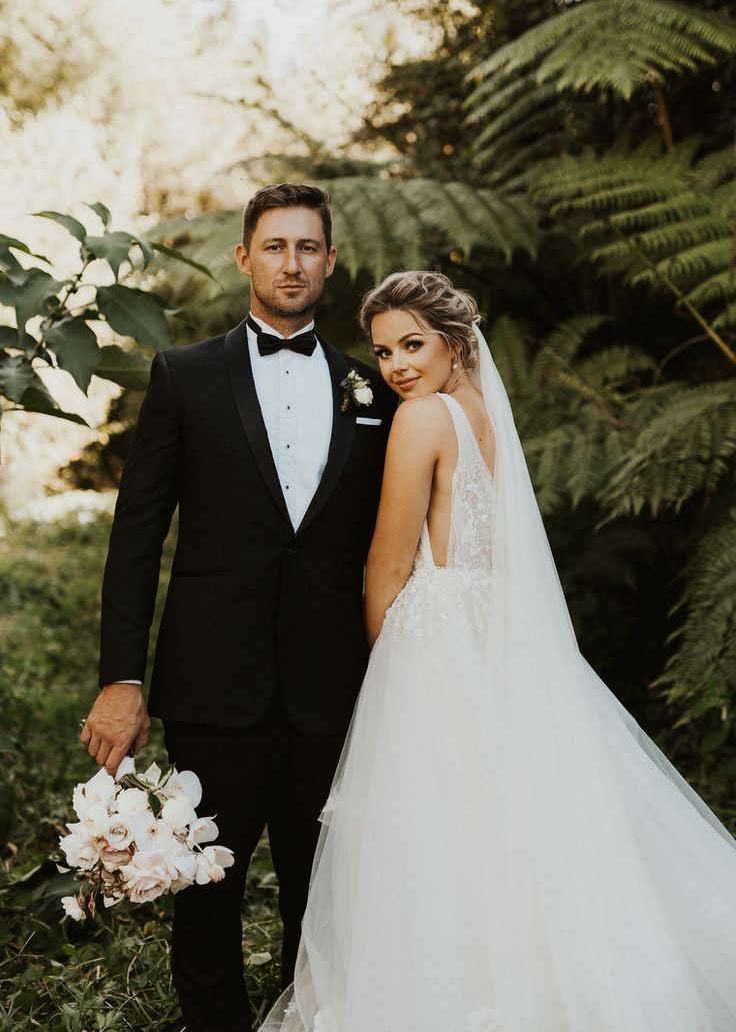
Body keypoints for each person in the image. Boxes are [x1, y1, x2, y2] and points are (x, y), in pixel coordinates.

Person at [261, 270, 736, 1032]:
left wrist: (382, 668)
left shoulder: (421, 419)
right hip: (490, 631)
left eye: (412, 344)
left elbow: (387, 564)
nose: (397, 366)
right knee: (505, 826)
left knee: (435, 841)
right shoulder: (480, 412)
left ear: (455, 341)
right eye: (383, 352)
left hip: (432, 639)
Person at [79, 183, 396, 1032]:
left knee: (321, 890)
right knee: (205, 893)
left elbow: (394, 545)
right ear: (244, 257)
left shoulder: (375, 391)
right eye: (275, 246)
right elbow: (136, 536)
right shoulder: (183, 376)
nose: (291, 263)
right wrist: (121, 677)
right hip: (213, 684)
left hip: (334, 689)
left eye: (307, 248)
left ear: (330, 261)